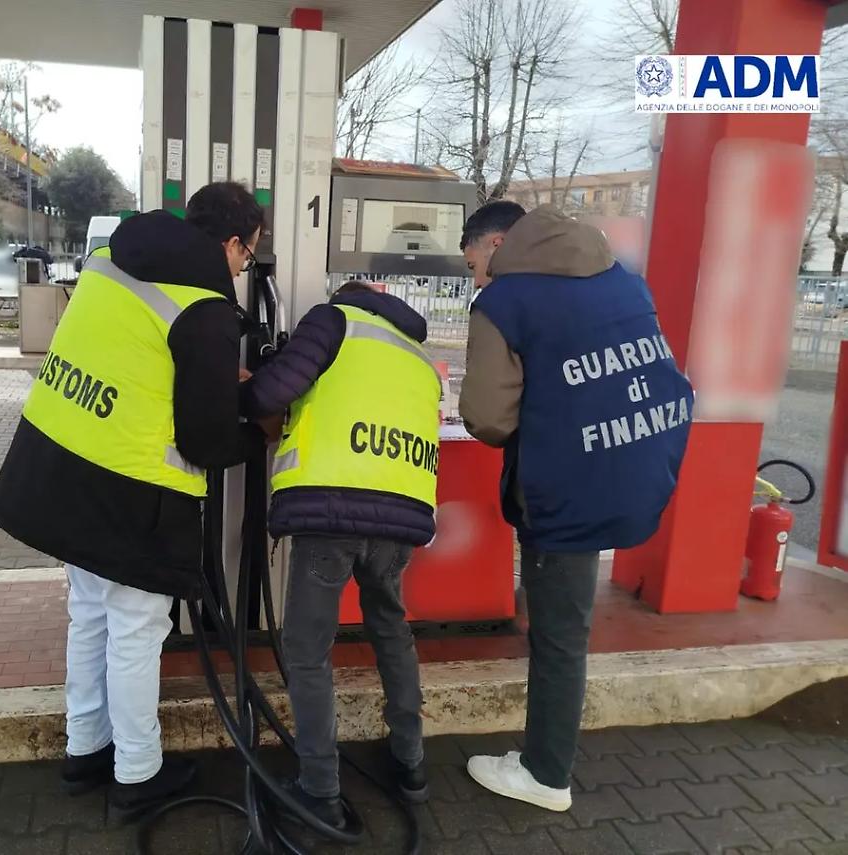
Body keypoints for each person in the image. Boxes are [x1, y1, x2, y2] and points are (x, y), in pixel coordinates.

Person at [0, 182, 266, 814]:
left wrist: (215, 372)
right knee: (139, 630)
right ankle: (138, 776)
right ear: (231, 243)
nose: (244, 268)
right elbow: (205, 437)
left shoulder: (113, 257)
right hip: (130, 489)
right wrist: (256, 428)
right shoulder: (203, 305)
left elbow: (136, 356)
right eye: (248, 256)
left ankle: (85, 748)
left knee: (88, 614)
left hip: (59, 468)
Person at [457, 201, 693, 811]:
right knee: (568, 626)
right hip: (634, 463)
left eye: (477, 262)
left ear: (500, 242)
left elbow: (486, 418)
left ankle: (546, 774)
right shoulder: (622, 281)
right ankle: (545, 757)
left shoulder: (506, 303)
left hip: (565, 486)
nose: (479, 278)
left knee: (561, 636)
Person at [240, 279, 441, 830]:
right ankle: (411, 765)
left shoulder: (333, 321)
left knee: (307, 651)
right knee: (391, 630)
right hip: (401, 520)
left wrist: (240, 387)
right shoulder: (418, 355)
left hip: (331, 512)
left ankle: (320, 789)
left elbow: (269, 393)